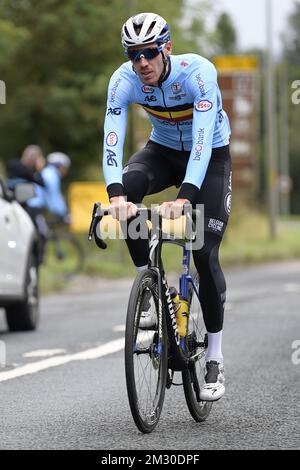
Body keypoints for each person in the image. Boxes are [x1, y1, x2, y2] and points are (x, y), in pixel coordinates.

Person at [102, 12, 232, 401]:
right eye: (133, 55)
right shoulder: (123, 81)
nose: (141, 63)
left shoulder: (198, 74)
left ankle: (214, 356)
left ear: (167, 49)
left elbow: (203, 144)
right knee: (126, 193)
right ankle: (148, 288)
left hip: (209, 158)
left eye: (149, 53)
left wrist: (184, 198)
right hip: (160, 151)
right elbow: (112, 139)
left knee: (205, 252)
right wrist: (115, 195)